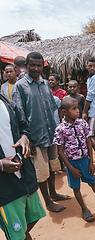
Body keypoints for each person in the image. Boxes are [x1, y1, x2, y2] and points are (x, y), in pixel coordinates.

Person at [12, 51, 70, 213]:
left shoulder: (45, 83)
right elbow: (20, 114)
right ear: (27, 65)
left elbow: (52, 107)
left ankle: (54, 193)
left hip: (51, 133)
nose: (36, 68)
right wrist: (27, 137)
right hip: (35, 136)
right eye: (32, 65)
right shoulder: (20, 86)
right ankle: (48, 202)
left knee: (52, 166)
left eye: (39, 65)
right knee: (41, 171)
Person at [54, 96, 95, 222]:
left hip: (85, 160)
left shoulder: (82, 123)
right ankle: (84, 208)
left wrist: (91, 162)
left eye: (78, 108)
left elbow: (88, 142)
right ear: (64, 112)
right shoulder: (60, 129)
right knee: (76, 188)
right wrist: (70, 168)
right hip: (72, 164)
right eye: (74, 109)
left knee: (93, 183)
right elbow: (60, 151)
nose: (78, 111)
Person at [0, 93, 46, 240]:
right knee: (16, 233)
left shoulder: (6, 102)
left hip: (24, 175)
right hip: (5, 188)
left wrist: (24, 138)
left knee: (33, 217)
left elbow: (23, 126)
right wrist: (1, 164)